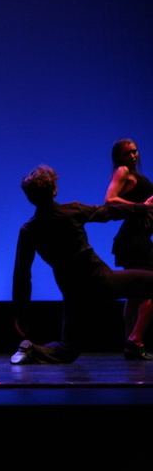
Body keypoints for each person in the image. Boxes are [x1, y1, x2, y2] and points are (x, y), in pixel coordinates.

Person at [11, 165, 153, 364]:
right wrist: (143, 208)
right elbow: (108, 212)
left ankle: (30, 348)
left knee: (67, 351)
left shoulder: (29, 230)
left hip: (73, 292)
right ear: (54, 190)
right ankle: (135, 340)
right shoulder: (71, 211)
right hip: (100, 280)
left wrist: (21, 313)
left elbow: (22, 275)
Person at [104, 138, 153, 359]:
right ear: (119, 158)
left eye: (134, 152)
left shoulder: (134, 174)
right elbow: (109, 199)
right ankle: (135, 340)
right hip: (133, 241)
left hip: (136, 239)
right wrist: (141, 208)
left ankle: (130, 343)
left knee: (135, 295)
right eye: (127, 153)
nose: (133, 156)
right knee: (147, 290)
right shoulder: (123, 171)